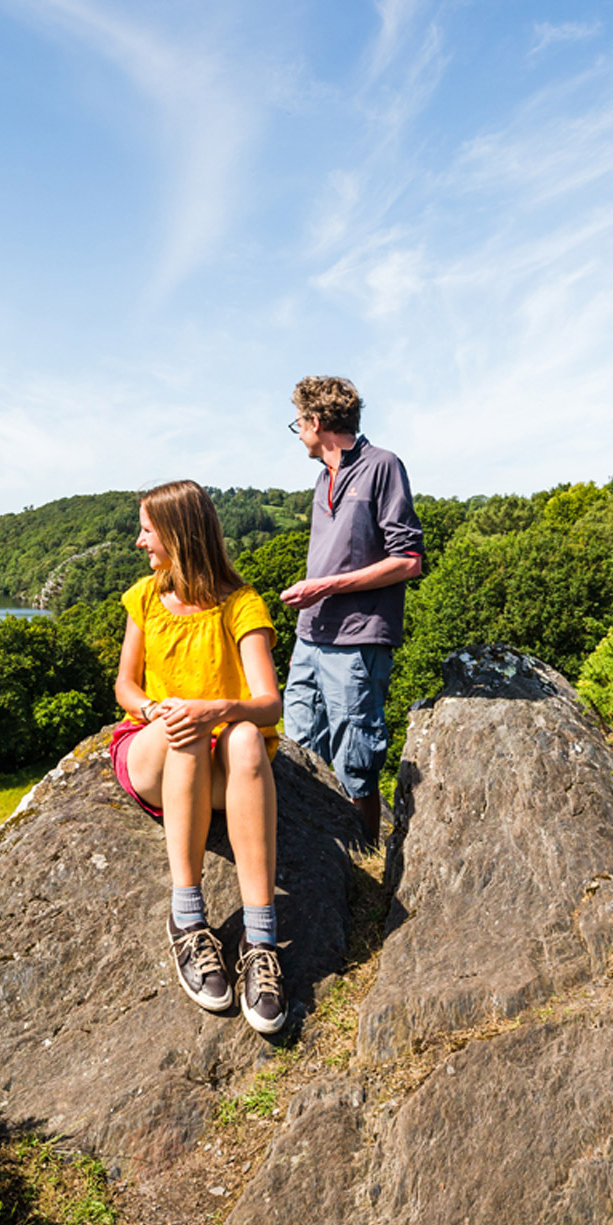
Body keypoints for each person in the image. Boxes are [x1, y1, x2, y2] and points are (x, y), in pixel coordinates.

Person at [111, 479, 289, 1035]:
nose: (140, 542)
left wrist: (215, 709)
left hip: (218, 762)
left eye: (147, 530)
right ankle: (188, 920)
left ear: (179, 535)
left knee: (241, 737)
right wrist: (159, 708)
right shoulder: (143, 598)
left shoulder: (242, 604)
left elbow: (268, 705)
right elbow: (124, 687)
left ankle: (261, 940)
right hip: (153, 751)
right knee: (187, 729)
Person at [279, 376, 423, 842]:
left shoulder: (383, 466)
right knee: (300, 749)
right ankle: (319, 857)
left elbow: (408, 561)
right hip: (309, 637)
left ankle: (366, 859)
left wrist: (325, 587)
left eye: (298, 422)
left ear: (317, 423)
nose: (298, 431)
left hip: (358, 639)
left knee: (356, 757)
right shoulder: (322, 478)